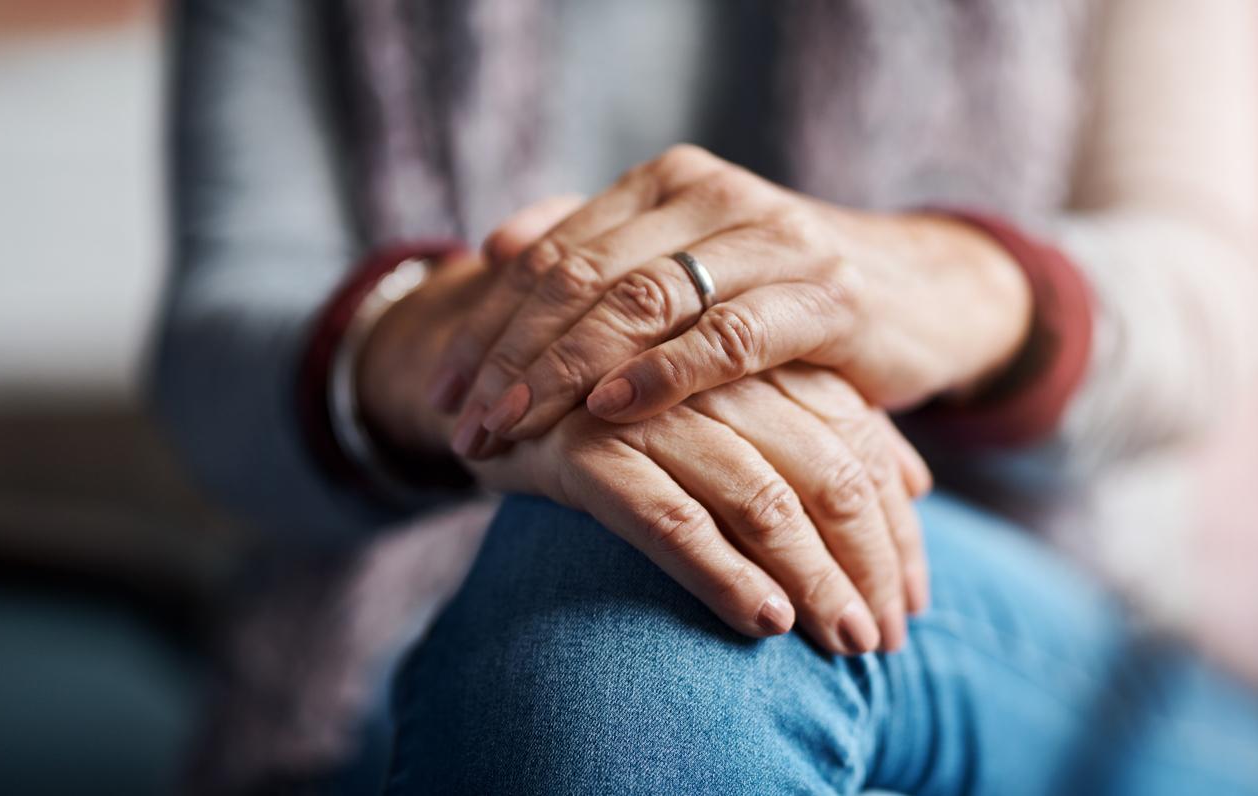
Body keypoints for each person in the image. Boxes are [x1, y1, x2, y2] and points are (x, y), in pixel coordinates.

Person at [154, 0, 1258, 792]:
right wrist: (469, 348)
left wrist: (939, 282)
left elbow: (1212, 301)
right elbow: (219, 345)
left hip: (1066, 646)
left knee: (645, 580)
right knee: (634, 546)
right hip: (373, 655)